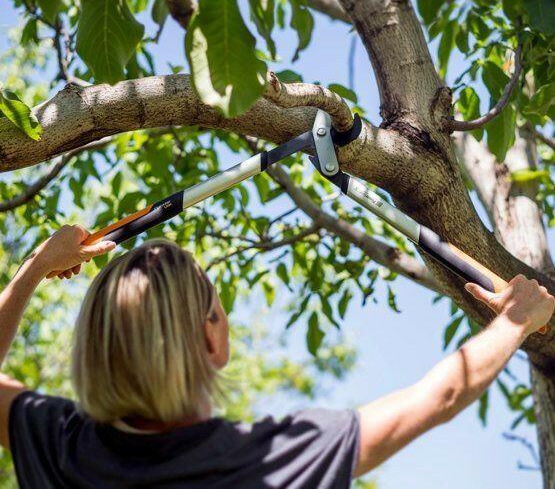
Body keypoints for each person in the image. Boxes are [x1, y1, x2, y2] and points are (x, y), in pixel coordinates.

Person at [0, 225, 552, 489]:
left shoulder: (61, 446)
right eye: (218, 308)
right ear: (211, 341)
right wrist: (516, 319)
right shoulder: (262, 461)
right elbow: (441, 395)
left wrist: (34, 268)